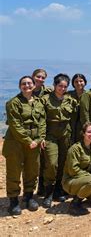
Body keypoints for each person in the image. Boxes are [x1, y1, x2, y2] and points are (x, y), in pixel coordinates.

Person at [3, 76, 45, 215]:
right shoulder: (13, 103)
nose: (27, 85)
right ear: (20, 86)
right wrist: (29, 141)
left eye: (29, 83)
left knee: (32, 170)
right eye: (23, 83)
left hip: (34, 143)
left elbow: (42, 123)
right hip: (15, 143)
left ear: (34, 85)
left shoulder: (39, 102)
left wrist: (39, 139)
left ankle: (28, 197)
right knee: (14, 171)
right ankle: (14, 200)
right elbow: (16, 126)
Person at [41, 73, 78, 208]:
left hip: (65, 134)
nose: (62, 88)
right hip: (50, 134)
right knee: (51, 163)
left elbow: (75, 117)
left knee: (63, 163)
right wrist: (41, 136)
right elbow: (41, 120)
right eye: (60, 85)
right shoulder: (45, 99)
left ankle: (58, 189)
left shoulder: (70, 100)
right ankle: (48, 193)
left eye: (64, 86)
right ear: (55, 85)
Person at [31, 68, 52, 196]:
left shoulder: (48, 92)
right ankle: (29, 191)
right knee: (34, 162)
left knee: (45, 161)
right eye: (38, 76)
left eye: (43, 77)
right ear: (33, 76)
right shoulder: (28, 91)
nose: (40, 79)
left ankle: (42, 188)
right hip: (32, 130)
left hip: (46, 129)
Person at [69, 73, 87, 143]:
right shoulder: (68, 95)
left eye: (81, 81)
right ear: (73, 83)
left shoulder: (89, 95)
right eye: (76, 81)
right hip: (71, 127)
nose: (79, 83)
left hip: (84, 127)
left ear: (85, 82)